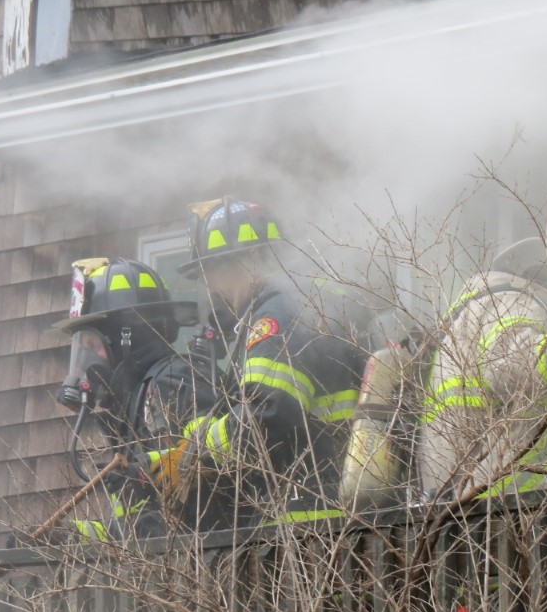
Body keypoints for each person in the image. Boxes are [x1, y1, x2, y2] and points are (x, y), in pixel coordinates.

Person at [148, 197, 369, 529]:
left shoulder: (278, 314)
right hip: (333, 517)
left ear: (250, 259)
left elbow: (269, 413)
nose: (209, 285)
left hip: (311, 525)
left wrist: (197, 451)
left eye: (212, 269)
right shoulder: (307, 302)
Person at [52, 257, 219, 539]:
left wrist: (143, 476)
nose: (85, 363)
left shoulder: (171, 383)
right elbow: (136, 534)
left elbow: (212, 474)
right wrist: (70, 539)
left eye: (92, 346)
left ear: (124, 339)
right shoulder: (132, 403)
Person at [416, 237, 547, 502]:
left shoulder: (472, 313)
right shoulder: (512, 299)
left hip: (466, 505)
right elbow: (509, 367)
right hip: (507, 503)